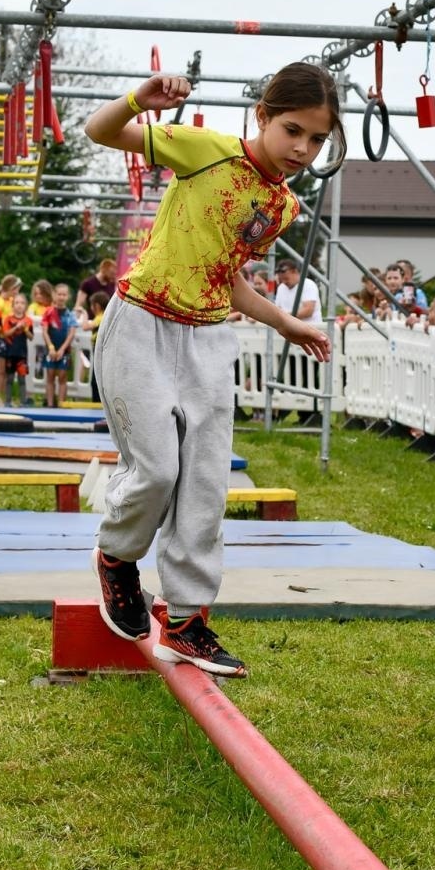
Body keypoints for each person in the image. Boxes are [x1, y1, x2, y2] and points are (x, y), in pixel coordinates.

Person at [83, 61, 334, 677]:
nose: (302, 149)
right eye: (293, 131)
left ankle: (186, 621)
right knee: (157, 471)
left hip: (207, 338)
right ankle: (117, 559)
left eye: (317, 139)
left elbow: (228, 276)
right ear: (263, 116)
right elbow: (99, 131)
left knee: (204, 484)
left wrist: (286, 322)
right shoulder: (205, 150)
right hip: (141, 323)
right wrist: (137, 101)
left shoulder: (281, 205)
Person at [42, 282, 77, 407]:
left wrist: (62, 349)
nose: (61, 297)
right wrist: (51, 347)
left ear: (68, 296)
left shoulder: (70, 314)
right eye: (59, 294)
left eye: (64, 294)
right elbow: (44, 331)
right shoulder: (48, 312)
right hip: (51, 348)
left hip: (64, 350)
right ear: (54, 295)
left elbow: (71, 334)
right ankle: (50, 405)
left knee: (62, 376)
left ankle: (61, 404)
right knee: (50, 376)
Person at [0, 292, 32, 406]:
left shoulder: (28, 320)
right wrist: (16, 327)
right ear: (12, 306)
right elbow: (4, 334)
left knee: (22, 379)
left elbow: (31, 337)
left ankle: (23, 402)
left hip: (22, 354)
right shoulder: (8, 319)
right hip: (10, 353)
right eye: (17, 303)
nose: (19, 305)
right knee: (10, 379)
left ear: (25, 306)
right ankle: (7, 401)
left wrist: (25, 329)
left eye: (22, 303)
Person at [273, 258, 323, 325]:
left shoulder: (308, 284)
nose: (284, 282)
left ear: (295, 272)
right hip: (289, 327)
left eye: (286, 278)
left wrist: (284, 317)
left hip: (310, 327)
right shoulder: (281, 287)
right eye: (281, 279)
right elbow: (278, 309)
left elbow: (308, 311)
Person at [86, 289, 109, 403]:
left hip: (98, 348)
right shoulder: (104, 316)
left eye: (92, 305)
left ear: (97, 306)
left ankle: (96, 401)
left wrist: (83, 314)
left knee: (96, 377)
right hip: (99, 347)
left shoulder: (100, 317)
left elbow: (86, 327)